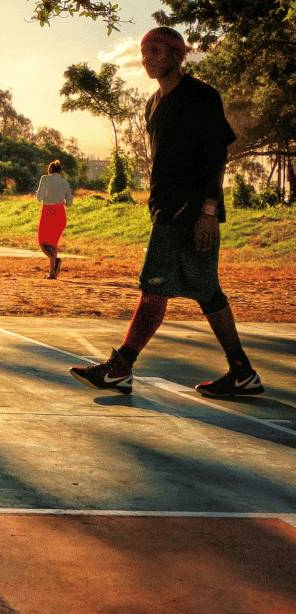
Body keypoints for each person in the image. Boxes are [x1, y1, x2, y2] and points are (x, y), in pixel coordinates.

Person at [69, 25, 264, 398]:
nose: (148, 58)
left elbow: (215, 157)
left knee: (153, 287)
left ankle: (120, 367)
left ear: (178, 55)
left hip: (191, 211)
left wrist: (209, 211)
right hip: (165, 208)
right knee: (207, 292)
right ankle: (241, 372)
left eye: (157, 51)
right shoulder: (152, 103)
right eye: (145, 52)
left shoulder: (201, 96)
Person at [34, 159, 73, 278]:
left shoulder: (44, 179)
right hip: (60, 213)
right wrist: (60, 199)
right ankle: (52, 273)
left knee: (42, 243)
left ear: (50, 170)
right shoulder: (65, 182)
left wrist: (47, 195)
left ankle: (55, 261)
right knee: (52, 244)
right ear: (59, 171)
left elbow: (39, 198)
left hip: (48, 212)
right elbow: (69, 203)